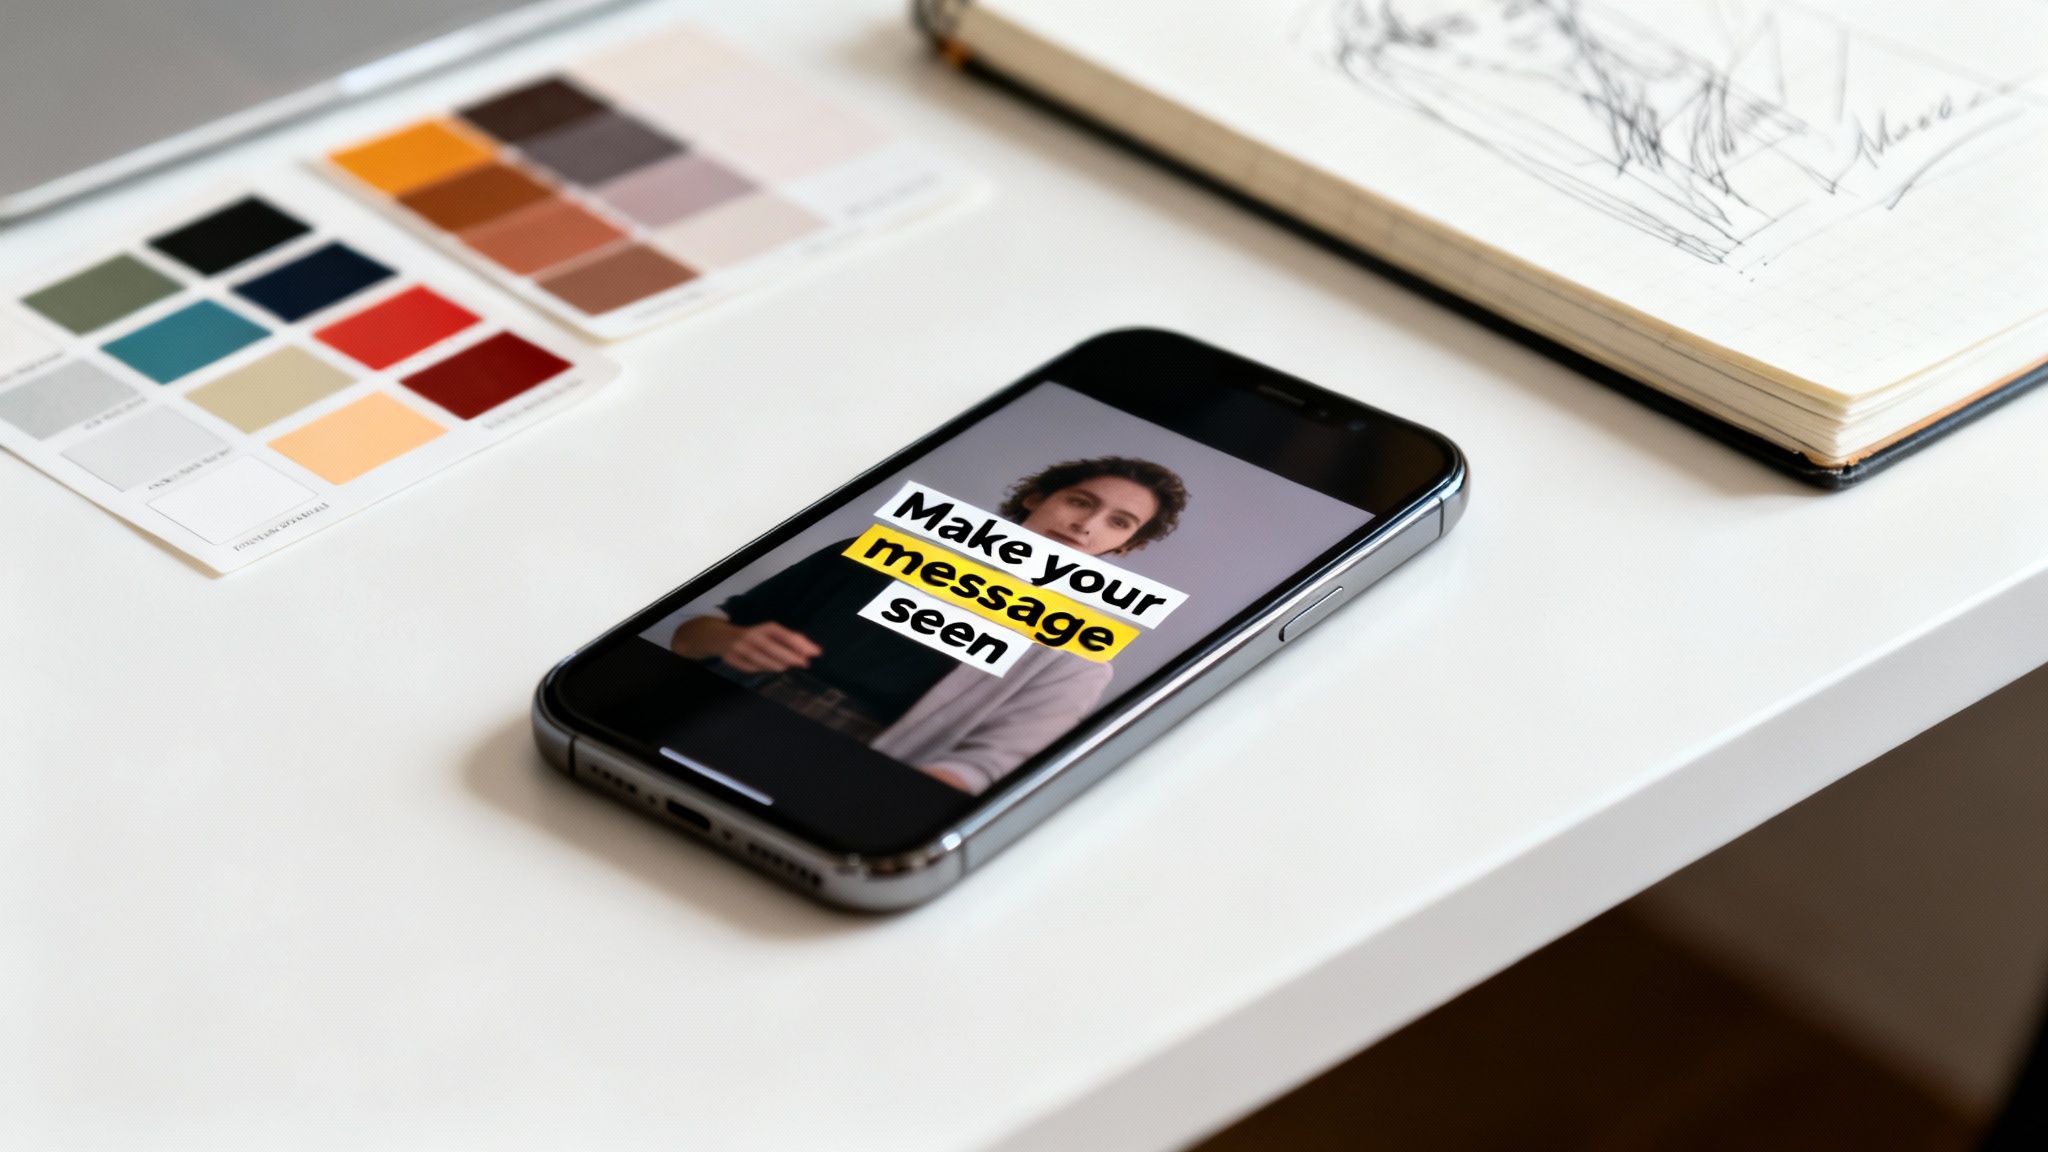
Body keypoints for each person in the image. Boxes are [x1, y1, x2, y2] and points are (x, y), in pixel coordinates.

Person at [671, 457, 1189, 793]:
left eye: (1118, 523)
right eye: (1080, 501)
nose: (1087, 525)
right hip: (711, 719)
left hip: (852, 776)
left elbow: (990, 767)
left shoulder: (1079, 658)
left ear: (1126, 547)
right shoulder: (870, 553)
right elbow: (690, 636)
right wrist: (731, 640)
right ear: (1037, 497)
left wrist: (882, 799)